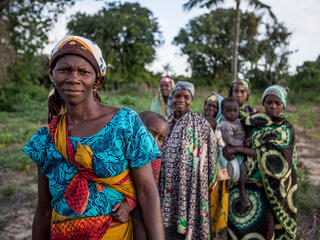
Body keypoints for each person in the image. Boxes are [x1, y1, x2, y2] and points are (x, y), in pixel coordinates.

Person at [22, 36, 165, 240]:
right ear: (53, 76)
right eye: (64, 70)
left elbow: (147, 194)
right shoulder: (45, 139)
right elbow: (44, 210)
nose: (73, 78)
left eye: (84, 72)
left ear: (96, 81)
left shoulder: (125, 123)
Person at [223, 84, 297, 239]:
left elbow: (274, 157)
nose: (273, 106)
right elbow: (236, 136)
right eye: (269, 102)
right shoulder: (252, 121)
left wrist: (239, 150)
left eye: (278, 103)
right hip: (241, 187)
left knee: (264, 230)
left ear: (284, 105)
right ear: (263, 103)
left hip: (267, 191)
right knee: (236, 230)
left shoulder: (285, 129)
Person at [158, 81, 218, 240]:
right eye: (177, 96)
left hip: (191, 184)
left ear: (191, 100)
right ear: (172, 97)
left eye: (186, 97)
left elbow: (212, 152)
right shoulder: (164, 122)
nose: (181, 100)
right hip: (167, 182)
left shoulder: (201, 124)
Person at [131, 111, 169, 240]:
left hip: (141, 206)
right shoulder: (130, 152)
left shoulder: (154, 159)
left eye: (161, 139)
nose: (155, 141)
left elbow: (147, 191)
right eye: (152, 133)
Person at [218, 97, 248, 208]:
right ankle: (242, 191)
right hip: (233, 150)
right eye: (228, 111)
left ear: (239, 110)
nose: (232, 113)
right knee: (242, 168)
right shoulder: (225, 124)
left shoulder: (238, 120)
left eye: (235, 110)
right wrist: (243, 143)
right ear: (222, 112)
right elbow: (229, 140)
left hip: (240, 146)